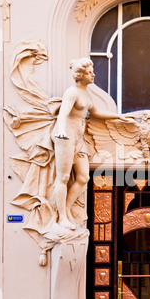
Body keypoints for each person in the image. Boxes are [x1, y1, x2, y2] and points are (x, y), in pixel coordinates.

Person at [51, 58, 119, 230]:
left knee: (83, 177)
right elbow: (63, 114)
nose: (93, 74)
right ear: (80, 75)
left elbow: (95, 113)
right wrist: (61, 130)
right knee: (64, 177)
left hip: (79, 140)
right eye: (89, 72)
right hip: (65, 137)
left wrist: (120, 117)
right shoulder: (72, 92)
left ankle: (66, 209)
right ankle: (62, 218)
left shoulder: (86, 94)